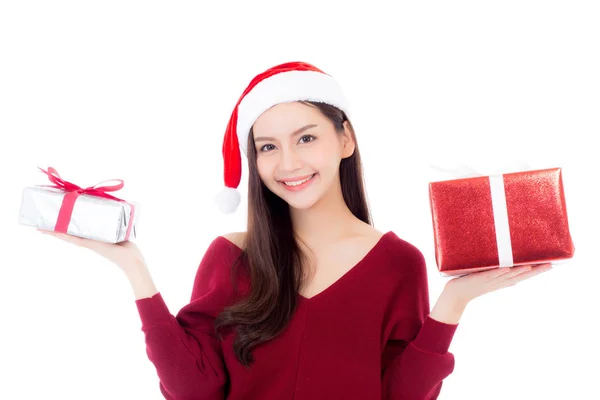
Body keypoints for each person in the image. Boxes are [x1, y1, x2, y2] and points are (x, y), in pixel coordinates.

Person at [38, 61, 552, 399]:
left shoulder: (399, 263)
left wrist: (451, 306)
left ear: (345, 139)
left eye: (306, 138)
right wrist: (136, 271)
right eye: (267, 146)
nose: (288, 162)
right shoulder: (229, 257)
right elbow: (193, 391)